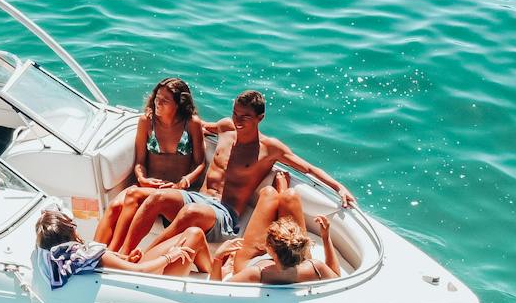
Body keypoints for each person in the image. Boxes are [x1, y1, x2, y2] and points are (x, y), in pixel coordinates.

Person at [123, 89, 356, 260]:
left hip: (225, 216)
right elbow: (196, 126)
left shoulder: (269, 148)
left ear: (260, 118)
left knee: (191, 212)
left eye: (245, 117)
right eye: (235, 113)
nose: (238, 121)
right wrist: (156, 118)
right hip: (199, 198)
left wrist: (339, 188)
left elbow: (309, 169)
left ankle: (142, 259)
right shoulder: (225, 127)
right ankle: (123, 253)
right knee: (157, 197)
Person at [95, 78, 207, 253]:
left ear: (179, 103)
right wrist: (142, 179)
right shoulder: (147, 121)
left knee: (132, 194)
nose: (157, 103)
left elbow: (200, 163)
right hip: (149, 185)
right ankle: (93, 252)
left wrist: (184, 182)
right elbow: (140, 162)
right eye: (157, 98)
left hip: (175, 189)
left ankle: (112, 255)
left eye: (164, 100)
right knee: (115, 206)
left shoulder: (191, 123)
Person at [34, 208, 211, 287]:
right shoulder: (92, 256)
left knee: (193, 233)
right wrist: (170, 256)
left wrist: (126, 259)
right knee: (195, 235)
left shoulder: (68, 259)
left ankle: (212, 272)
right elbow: (140, 271)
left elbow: (118, 265)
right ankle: (214, 276)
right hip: (147, 285)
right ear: (72, 232)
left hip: (132, 277)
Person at [221, 215, 341, 284]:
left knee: (269, 193)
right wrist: (326, 238)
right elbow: (336, 277)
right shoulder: (315, 268)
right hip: (284, 259)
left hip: (249, 262)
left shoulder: (256, 273)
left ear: (269, 249)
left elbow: (218, 293)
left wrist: (218, 258)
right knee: (290, 197)